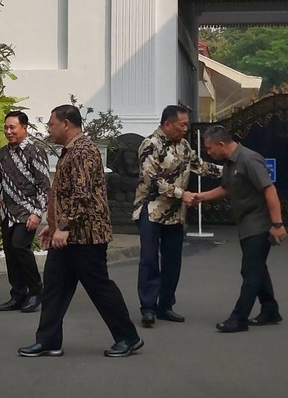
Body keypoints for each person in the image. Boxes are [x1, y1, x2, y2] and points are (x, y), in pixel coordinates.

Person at [18, 105, 143, 358]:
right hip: (67, 236)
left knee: (99, 286)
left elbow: (82, 195)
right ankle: (49, 341)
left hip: (86, 236)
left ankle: (128, 337)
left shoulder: (84, 150)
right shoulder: (70, 151)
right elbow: (63, 193)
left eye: (52, 124)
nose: (49, 129)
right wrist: (52, 228)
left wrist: (63, 227)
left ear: (66, 123)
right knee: (54, 288)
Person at [133, 105, 221, 327]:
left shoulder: (183, 145)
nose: (186, 128)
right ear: (167, 124)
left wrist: (231, 171)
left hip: (175, 213)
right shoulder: (150, 145)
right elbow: (152, 181)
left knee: (173, 261)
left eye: (187, 124)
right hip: (151, 210)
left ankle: (165, 306)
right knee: (150, 260)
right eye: (182, 125)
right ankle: (148, 308)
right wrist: (183, 194)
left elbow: (199, 166)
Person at [194, 125, 286, 332]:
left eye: (209, 148)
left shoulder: (249, 159)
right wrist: (200, 197)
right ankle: (270, 310)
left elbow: (269, 190)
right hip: (246, 224)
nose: (208, 153)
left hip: (259, 224)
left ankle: (239, 318)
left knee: (250, 271)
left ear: (221, 144)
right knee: (258, 268)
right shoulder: (230, 163)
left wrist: (277, 224)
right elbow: (225, 188)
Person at [0, 110, 51, 313]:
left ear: (24, 127)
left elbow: (44, 185)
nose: (8, 131)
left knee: (20, 247)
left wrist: (38, 212)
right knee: (10, 253)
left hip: (27, 212)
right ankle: (18, 294)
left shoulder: (35, 151)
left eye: (12, 127)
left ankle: (36, 291)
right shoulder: (4, 152)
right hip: (7, 212)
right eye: (6, 127)